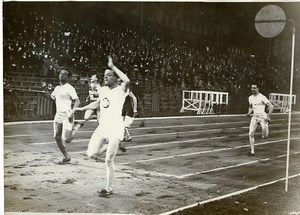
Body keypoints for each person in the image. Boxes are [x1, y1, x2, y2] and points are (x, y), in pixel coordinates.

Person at [75, 56, 130, 197]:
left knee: (108, 160)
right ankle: (113, 146)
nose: (106, 77)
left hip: (115, 127)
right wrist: (82, 109)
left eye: (109, 75)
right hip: (103, 126)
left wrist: (113, 66)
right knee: (91, 154)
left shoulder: (121, 90)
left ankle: (109, 188)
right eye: (105, 76)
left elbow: (127, 80)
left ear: (116, 79)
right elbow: (98, 104)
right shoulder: (104, 90)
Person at [43, 69, 82, 164]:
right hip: (58, 115)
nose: (62, 76)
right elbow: (52, 98)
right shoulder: (57, 88)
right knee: (56, 137)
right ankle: (66, 156)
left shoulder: (70, 88)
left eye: (64, 75)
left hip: (68, 115)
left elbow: (77, 101)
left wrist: (72, 113)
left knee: (66, 139)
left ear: (68, 78)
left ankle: (76, 127)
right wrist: (44, 92)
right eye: (61, 74)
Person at [246, 83, 274, 156]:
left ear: (258, 88)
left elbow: (271, 106)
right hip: (255, 116)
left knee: (265, 137)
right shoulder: (250, 98)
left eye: (254, 88)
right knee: (250, 133)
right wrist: (249, 112)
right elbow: (250, 106)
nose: (253, 89)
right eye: (252, 88)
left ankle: (266, 126)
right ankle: (252, 151)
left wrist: (269, 117)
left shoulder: (262, 97)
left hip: (262, 117)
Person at [119, 87, 138, 152]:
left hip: (129, 108)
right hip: (123, 108)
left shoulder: (127, 89)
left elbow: (134, 98)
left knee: (124, 125)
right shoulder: (117, 89)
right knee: (120, 124)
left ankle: (126, 137)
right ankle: (127, 137)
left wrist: (135, 109)